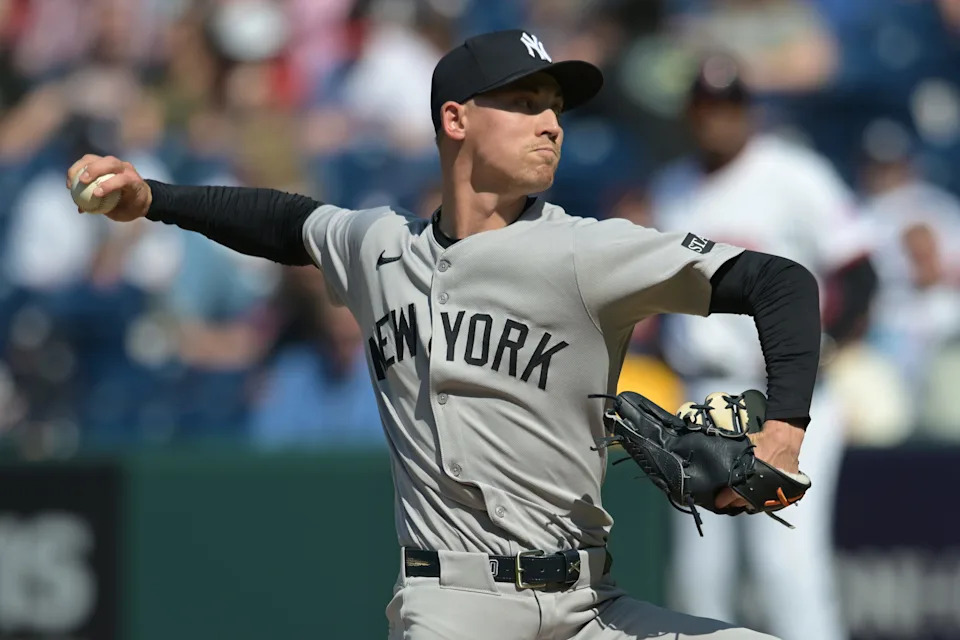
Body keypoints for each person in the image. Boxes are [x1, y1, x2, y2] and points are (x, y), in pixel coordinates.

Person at [65, 30, 823, 640]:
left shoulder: (588, 252)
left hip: (591, 606)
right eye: (525, 102)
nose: (551, 122)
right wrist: (151, 198)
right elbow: (282, 221)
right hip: (454, 605)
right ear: (455, 120)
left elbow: (780, 282)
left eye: (555, 106)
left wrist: (785, 429)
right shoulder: (378, 245)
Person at [649, 53, 877, 640]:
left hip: (784, 394)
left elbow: (860, 270)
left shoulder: (794, 173)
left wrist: (821, 348)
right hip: (703, 389)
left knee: (786, 568)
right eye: (704, 108)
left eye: (727, 108)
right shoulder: (672, 187)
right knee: (701, 576)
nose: (715, 121)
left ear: (749, 113)